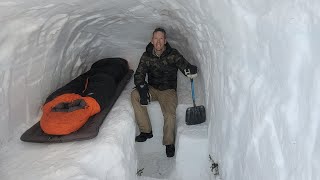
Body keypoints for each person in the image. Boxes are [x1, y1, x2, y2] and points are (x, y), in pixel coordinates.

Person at [131, 28, 198, 157]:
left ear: (165, 41)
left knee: (169, 113)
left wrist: (190, 69)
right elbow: (139, 74)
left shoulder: (173, 54)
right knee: (134, 95)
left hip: (168, 91)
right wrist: (142, 87)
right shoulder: (147, 55)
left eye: (161, 39)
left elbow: (184, 66)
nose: (158, 42)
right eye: (156, 38)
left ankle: (169, 143)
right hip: (152, 88)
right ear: (152, 40)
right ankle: (146, 131)